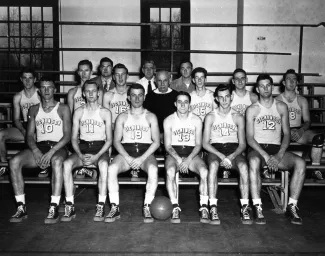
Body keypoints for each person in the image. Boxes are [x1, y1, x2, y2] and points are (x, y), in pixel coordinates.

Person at [9, 76, 71, 224]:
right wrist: (36, 150)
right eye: (43, 87)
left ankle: (54, 206)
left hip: (58, 146)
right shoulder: (34, 109)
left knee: (56, 161)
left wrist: (51, 152)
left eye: (49, 87)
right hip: (40, 146)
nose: (47, 90)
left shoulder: (63, 108)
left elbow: (68, 136)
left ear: (55, 90)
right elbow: (29, 135)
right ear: (39, 90)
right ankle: (21, 207)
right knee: (14, 162)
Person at [246, 74, 306, 225]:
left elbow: (286, 134)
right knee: (253, 161)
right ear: (257, 89)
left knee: (301, 163)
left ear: (272, 87)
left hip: (277, 149)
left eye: (268, 85)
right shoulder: (252, 109)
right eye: (262, 86)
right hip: (258, 150)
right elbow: (249, 138)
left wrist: (279, 155)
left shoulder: (281, 106)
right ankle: (258, 207)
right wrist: (266, 156)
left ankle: (291, 206)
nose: (265, 88)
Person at [105, 84, 160, 223]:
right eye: (133, 95)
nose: (137, 98)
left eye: (140, 95)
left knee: (153, 169)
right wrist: (128, 158)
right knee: (111, 169)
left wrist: (142, 158)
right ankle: (114, 207)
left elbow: (156, 142)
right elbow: (116, 141)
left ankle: (147, 205)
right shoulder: (122, 117)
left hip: (145, 152)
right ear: (128, 98)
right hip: (126, 152)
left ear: (144, 97)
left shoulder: (151, 116)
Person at [61, 80, 112, 222]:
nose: (91, 93)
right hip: (82, 147)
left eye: (93, 91)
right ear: (83, 93)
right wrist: (79, 155)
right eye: (87, 91)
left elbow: (109, 140)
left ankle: (101, 205)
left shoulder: (105, 112)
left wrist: (97, 156)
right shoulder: (78, 112)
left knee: (103, 165)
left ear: (98, 93)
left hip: (99, 148)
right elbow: (73, 139)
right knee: (66, 165)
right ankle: (69, 205)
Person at [203, 84, 252, 225]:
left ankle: (245, 207)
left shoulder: (238, 117)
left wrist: (230, 157)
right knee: (212, 165)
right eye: (221, 97)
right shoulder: (210, 116)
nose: (224, 100)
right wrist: (221, 156)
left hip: (233, 150)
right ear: (217, 99)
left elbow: (242, 144)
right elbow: (205, 143)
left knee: (243, 166)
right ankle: (212, 206)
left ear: (231, 97)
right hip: (215, 149)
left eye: (227, 97)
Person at [164, 91, 209, 224]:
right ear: (175, 104)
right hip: (174, 153)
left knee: (204, 172)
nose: (182, 105)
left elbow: (199, 144)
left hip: (191, 153)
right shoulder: (168, 120)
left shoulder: (196, 120)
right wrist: (179, 160)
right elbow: (167, 146)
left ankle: (204, 206)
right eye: (180, 102)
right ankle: (174, 206)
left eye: (186, 102)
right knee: (170, 171)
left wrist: (188, 160)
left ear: (190, 104)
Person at [276, 69, 324, 182]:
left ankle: (315, 169)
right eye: (288, 79)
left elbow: (307, 121)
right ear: (283, 82)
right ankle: (271, 168)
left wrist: (301, 130)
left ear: (297, 83)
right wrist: (286, 131)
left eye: (294, 79)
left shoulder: (302, 100)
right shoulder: (277, 100)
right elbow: (276, 122)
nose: (292, 82)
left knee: (318, 138)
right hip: (282, 131)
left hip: (298, 130)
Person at [0, 67, 40, 178]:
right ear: (21, 79)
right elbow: (16, 119)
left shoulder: (40, 94)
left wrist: (33, 132)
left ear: (35, 79)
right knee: (1, 135)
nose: (27, 81)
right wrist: (23, 130)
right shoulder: (17, 96)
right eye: (25, 78)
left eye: (30, 78)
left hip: (39, 126)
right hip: (25, 125)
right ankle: (4, 166)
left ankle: (44, 167)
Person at [67, 60, 103, 179]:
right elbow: (70, 115)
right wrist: (75, 133)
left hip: (93, 128)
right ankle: (81, 168)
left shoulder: (99, 92)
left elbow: (101, 115)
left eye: (86, 70)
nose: (84, 73)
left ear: (91, 72)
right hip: (78, 128)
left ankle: (89, 168)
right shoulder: (72, 92)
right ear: (77, 72)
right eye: (81, 70)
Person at [144, 70, 178, 138]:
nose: (162, 84)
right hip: (154, 134)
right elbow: (146, 118)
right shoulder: (149, 96)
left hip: (173, 134)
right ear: (155, 81)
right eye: (159, 81)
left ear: (169, 80)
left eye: (165, 80)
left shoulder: (176, 95)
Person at [103, 63, 130, 129]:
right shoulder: (107, 95)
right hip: (113, 130)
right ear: (113, 77)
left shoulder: (133, 93)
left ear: (127, 76)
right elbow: (106, 119)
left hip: (130, 129)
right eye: (117, 75)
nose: (120, 77)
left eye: (123, 74)